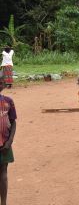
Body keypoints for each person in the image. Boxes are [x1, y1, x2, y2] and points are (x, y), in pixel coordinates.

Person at [0, 72, 17, 205]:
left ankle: (3, 203)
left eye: (1, 82)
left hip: (4, 143)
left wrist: (10, 141)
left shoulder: (8, 101)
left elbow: (13, 121)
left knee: (3, 174)